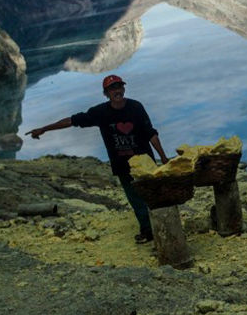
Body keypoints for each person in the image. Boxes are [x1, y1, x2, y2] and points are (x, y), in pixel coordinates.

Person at [26, 74, 168, 244]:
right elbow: (72, 120)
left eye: (119, 87)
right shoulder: (100, 113)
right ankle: (148, 231)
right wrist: (44, 129)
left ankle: (164, 228)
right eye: (112, 89)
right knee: (135, 199)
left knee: (153, 195)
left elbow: (150, 133)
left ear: (123, 89)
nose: (117, 91)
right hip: (123, 166)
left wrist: (163, 158)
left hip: (145, 163)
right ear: (106, 93)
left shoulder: (136, 107)